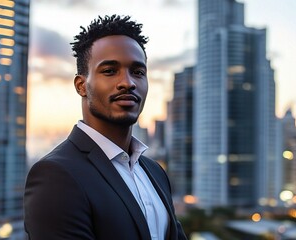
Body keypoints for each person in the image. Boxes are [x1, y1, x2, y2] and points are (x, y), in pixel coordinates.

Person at [24, 14, 187, 240]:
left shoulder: (154, 171)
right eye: (110, 71)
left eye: (138, 72)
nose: (128, 82)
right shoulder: (56, 175)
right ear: (81, 86)